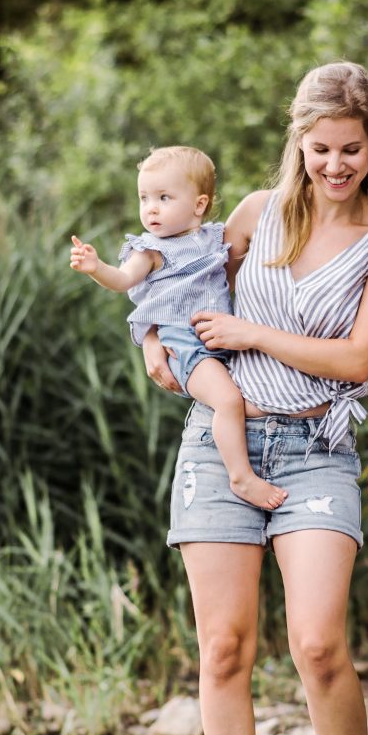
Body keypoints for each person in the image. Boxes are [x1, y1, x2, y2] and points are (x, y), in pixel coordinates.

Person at [155, 61, 368, 735]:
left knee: (317, 644)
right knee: (223, 647)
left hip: (316, 447)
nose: (336, 164)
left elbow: (360, 358)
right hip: (222, 443)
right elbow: (178, 288)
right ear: (299, 142)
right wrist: (159, 344)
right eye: (322, 148)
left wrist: (254, 335)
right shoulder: (252, 213)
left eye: (352, 150)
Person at [69, 146, 285, 509]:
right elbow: (123, 280)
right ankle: (241, 477)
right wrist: (96, 268)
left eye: (163, 198)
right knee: (228, 400)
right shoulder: (150, 250)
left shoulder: (214, 238)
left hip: (220, 340)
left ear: (199, 205)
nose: (150, 208)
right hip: (185, 344)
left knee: (243, 396)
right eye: (144, 198)